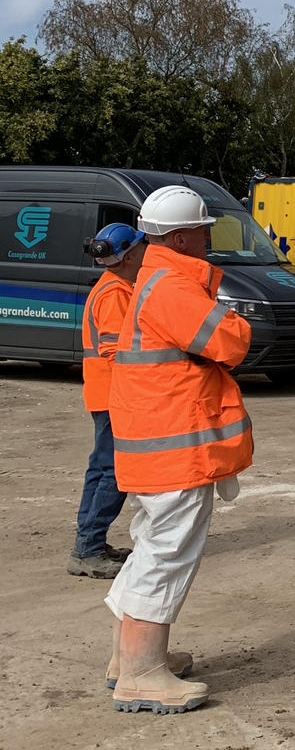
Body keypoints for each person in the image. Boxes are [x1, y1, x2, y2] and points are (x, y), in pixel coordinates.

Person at [106, 184, 254, 715]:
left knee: (151, 544)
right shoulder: (172, 285)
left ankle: (129, 660)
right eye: (205, 230)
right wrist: (236, 319)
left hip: (154, 443)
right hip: (175, 446)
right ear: (184, 236)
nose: (209, 240)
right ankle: (142, 673)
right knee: (167, 552)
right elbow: (230, 342)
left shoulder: (153, 279)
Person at [68, 223, 144, 577]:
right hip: (114, 393)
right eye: (141, 248)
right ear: (127, 255)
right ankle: (88, 549)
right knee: (112, 472)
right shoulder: (115, 292)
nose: (146, 253)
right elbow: (117, 351)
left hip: (105, 392)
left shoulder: (114, 287)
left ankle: (90, 543)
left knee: (101, 469)